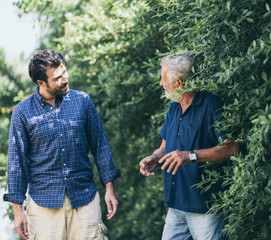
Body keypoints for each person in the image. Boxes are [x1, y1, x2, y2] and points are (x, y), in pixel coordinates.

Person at [3, 49, 121, 240]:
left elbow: (100, 147)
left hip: (84, 198)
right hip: (43, 204)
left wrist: (109, 188)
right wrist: (18, 211)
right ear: (41, 82)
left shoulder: (83, 102)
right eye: (57, 77)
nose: (65, 79)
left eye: (65, 72)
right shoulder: (23, 113)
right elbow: (17, 163)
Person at [139, 54, 238, 240]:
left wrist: (189, 156)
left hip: (204, 205)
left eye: (163, 78)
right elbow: (164, 148)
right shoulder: (174, 107)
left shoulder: (211, 104)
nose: (161, 83)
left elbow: (232, 148)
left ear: (178, 83)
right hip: (176, 203)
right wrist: (154, 159)